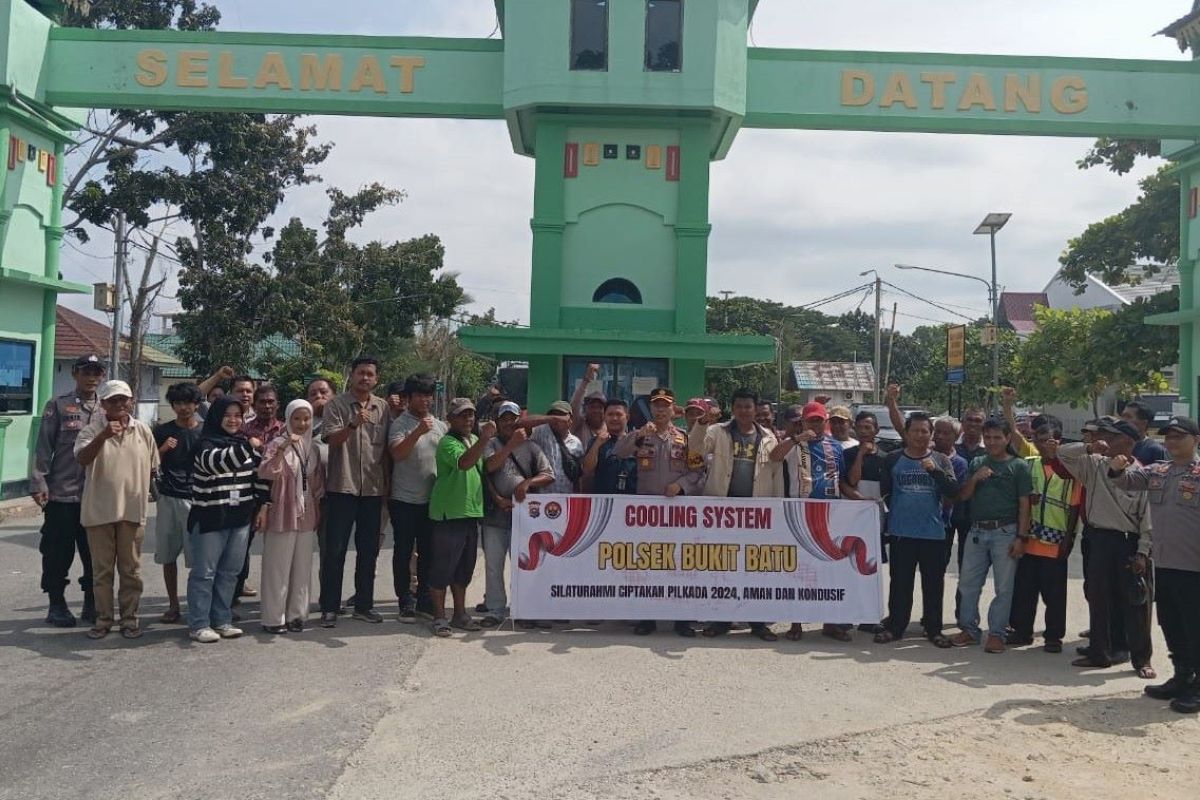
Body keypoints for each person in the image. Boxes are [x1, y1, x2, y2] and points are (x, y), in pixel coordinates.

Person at [1109, 416, 1200, 713]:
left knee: (1194, 626)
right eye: (1168, 437)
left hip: (1194, 566)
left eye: (1179, 437)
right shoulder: (1158, 471)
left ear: (1195, 440)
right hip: (1164, 563)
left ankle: (1197, 687)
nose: (1172, 442)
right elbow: (1127, 481)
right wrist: (1116, 467)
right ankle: (1182, 676)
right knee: (1170, 623)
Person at [1059, 419, 1156, 677]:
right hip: (1099, 539)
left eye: (1112, 437)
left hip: (1128, 541)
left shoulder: (1140, 474)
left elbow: (1148, 520)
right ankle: (1099, 652)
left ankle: (1142, 660)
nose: (1106, 441)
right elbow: (1062, 453)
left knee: (1136, 603)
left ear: (1128, 442)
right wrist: (1090, 448)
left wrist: (1143, 552)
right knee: (1099, 598)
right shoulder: (1095, 463)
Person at [691, 387, 784, 641]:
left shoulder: (768, 438)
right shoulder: (716, 431)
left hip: (755, 516)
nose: (744, 411)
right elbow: (695, 449)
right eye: (739, 406)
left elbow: (775, 475)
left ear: (756, 409)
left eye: (748, 406)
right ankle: (720, 621)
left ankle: (758, 623)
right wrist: (701, 423)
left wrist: (774, 510)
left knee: (755, 570)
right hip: (721, 513)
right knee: (720, 567)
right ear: (733, 408)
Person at [612, 386, 704, 636]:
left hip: (677, 514)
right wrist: (638, 435)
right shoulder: (642, 435)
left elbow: (697, 471)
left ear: (674, 409)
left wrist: (681, 485)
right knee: (647, 566)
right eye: (657, 405)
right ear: (651, 408)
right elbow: (618, 452)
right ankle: (646, 617)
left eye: (666, 405)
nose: (661, 409)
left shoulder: (685, 438)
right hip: (647, 515)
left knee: (681, 565)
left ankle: (682, 619)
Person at [73, 380, 158, 640]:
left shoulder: (143, 431)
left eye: (124, 399)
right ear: (103, 404)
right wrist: (103, 436)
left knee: (131, 571)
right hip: (98, 512)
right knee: (101, 573)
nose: (120, 404)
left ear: (131, 401)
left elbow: (154, 468)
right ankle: (103, 620)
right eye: (113, 400)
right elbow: (82, 458)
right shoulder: (90, 430)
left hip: (132, 512)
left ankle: (130, 620)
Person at [30, 354, 104, 627]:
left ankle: (91, 602)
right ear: (75, 373)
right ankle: (57, 604)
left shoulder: (107, 410)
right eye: (86, 371)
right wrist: (39, 483)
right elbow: (43, 448)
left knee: (95, 553)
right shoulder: (59, 405)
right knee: (57, 553)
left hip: (95, 496)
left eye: (97, 372)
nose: (92, 377)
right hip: (62, 494)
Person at [874, 412, 959, 647]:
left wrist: (934, 471)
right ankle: (895, 627)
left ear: (931, 435)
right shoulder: (893, 459)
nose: (920, 435)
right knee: (900, 583)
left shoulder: (942, 460)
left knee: (933, 585)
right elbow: (886, 492)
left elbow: (953, 491)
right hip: (902, 532)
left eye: (924, 431)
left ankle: (934, 630)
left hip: (933, 533)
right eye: (915, 431)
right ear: (907, 433)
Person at [949, 417, 1033, 653]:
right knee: (967, 584)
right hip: (976, 531)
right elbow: (963, 497)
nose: (993, 442)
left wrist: (1021, 537)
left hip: (1005, 532)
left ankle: (997, 633)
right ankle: (969, 629)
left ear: (1008, 438)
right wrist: (975, 479)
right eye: (988, 437)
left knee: (1004, 587)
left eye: (998, 437)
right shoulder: (976, 462)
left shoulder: (1019, 466)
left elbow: (1025, 504)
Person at [187, 396, 267, 643]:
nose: (233, 420)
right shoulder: (204, 444)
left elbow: (259, 475)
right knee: (204, 573)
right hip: (210, 517)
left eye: (238, 415)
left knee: (230, 572)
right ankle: (199, 624)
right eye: (228, 415)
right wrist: (249, 445)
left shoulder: (243, 443)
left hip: (240, 517)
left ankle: (222, 620)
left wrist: (263, 505)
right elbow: (217, 464)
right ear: (216, 417)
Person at [784, 401, 864, 643]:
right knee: (799, 569)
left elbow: (841, 481)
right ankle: (795, 622)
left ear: (824, 421)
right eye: (811, 420)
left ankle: (830, 623)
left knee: (830, 569)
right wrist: (797, 439)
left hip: (831, 512)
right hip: (801, 511)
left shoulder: (835, 447)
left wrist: (862, 500)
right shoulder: (794, 445)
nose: (815, 424)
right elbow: (774, 457)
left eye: (820, 420)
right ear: (803, 422)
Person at [319, 356, 390, 627]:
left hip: (372, 490)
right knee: (335, 550)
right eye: (360, 373)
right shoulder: (336, 405)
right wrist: (352, 424)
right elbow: (331, 440)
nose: (365, 378)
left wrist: (387, 488)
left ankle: (364, 605)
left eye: (370, 374)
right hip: (342, 486)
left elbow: (384, 451)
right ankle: (329, 607)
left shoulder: (382, 408)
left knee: (368, 550)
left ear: (376, 379)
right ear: (351, 375)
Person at [1007, 415, 1081, 653]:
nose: (1045, 444)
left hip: (1055, 541)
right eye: (1040, 439)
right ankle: (1022, 631)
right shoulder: (1028, 464)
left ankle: (1053, 637)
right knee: (1025, 591)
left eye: (1051, 439)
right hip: (1029, 540)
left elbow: (1074, 508)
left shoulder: (1071, 471)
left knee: (1055, 595)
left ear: (1060, 441)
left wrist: (1068, 540)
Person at [482, 401, 554, 628]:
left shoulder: (532, 447)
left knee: (524, 565)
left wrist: (528, 483)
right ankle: (495, 609)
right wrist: (511, 446)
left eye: (513, 419)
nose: (509, 423)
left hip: (524, 518)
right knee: (494, 565)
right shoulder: (490, 444)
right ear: (498, 421)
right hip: (495, 515)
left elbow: (548, 474)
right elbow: (488, 468)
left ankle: (523, 608)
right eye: (504, 419)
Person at [257, 400, 324, 634]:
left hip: (305, 512)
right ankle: (274, 618)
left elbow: (316, 483)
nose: (302, 424)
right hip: (282, 511)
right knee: (278, 566)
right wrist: (285, 446)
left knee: (302, 567)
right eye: (297, 418)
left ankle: (297, 614)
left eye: (306, 419)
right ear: (287, 419)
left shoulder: (311, 447)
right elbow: (266, 472)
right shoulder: (276, 443)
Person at [427, 398, 492, 637]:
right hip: (449, 513)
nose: (468, 419)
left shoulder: (474, 440)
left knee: (464, 568)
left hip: (470, 512)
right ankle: (439, 616)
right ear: (451, 419)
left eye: (471, 415)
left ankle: (460, 614)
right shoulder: (447, 442)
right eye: (462, 415)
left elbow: (482, 469)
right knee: (443, 567)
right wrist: (485, 439)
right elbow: (464, 463)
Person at [387, 374, 446, 621]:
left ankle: (423, 598)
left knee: (428, 552)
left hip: (431, 501)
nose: (425, 400)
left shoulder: (441, 425)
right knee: (402, 552)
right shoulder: (400, 424)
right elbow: (398, 454)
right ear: (408, 398)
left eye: (428, 395)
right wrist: (418, 432)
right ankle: (405, 600)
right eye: (420, 395)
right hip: (403, 500)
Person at [152, 382, 204, 624]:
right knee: (168, 555)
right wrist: (162, 450)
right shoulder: (162, 432)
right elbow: (148, 464)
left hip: (197, 499)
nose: (184, 408)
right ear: (172, 406)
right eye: (178, 403)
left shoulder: (205, 432)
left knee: (199, 559)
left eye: (188, 402)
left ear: (196, 404)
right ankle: (173, 605)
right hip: (169, 498)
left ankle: (197, 605)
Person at [234, 383, 284, 601]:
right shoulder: (243, 431)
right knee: (241, 546)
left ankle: (276, 598)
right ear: (254, 405)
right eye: (262, 402)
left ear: (278, 404)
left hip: (281, 496)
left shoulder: (286, 430)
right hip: (250, 495)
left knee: (278, 549)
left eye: (271, 401)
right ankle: (234, 593)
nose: (267, 406)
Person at [521, 401, 584, 495]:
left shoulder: (576, 442)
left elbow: (578, 476)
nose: (557, 419)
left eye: (561, 415)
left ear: (570, 419)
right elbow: (522, 423)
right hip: (541, 498)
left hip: (566, 498)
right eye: (554, 415)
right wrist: (550, 419)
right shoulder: (540, 432)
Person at [582, 399, 638, 495]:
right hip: (604, 501)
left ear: (627, 417)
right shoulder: (596, 441)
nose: (614, 418)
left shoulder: (636, 441)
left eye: (619, 414)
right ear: (604, 417)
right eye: (610, 414)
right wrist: (597, 444)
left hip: (631, 501)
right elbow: (587, 469)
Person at [772, 405, 814, 500]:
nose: (800, 427)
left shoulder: (811, 441)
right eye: (796, 423)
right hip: (788, 498)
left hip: (811, 498)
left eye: (802, 422)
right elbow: (774, 456)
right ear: (786, 424)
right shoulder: (784, 441)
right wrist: (796, 439)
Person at [570, 362, 607, 451]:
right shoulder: (579, 424)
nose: (596, 410)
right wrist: (586, 380)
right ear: (585, 409)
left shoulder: (610, 427)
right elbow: (574, 405)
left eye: (600, 407)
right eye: (592, 407)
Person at [1121, 400, 1169, 465]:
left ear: (1143, 423)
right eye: (1123, 416)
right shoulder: (1115, 445)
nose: (1123, 420)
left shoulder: (1155, 450)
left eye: (1128, 417)